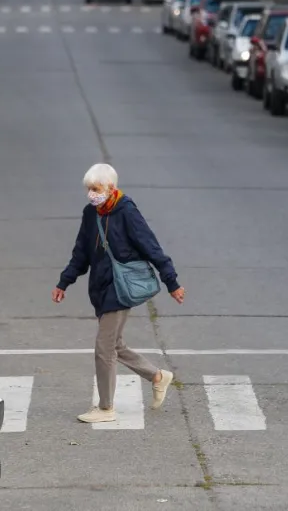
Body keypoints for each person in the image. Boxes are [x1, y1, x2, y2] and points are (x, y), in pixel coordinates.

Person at [53, 163, 186, 424]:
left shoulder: (126, 211)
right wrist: (64, 282)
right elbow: (81, 253)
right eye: (89, 189)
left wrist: (172, 282)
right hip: (100, 287)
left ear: (111, 187)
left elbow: (151, 246)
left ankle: (106, 408)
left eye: (97, 189)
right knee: (114, 344)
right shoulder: (90, 214)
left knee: (104, 348)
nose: (92, 194)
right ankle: (157, 376)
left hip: (120, 287)